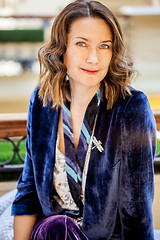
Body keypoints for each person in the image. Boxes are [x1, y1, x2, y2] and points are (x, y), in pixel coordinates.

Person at [12, 0, 157, 239]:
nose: (93, 58)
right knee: (58, 226)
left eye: (104, 46)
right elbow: (28, 191)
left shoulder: (131, 107)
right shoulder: (42, 101)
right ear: (62, 49)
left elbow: (137, 208)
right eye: (81, 44)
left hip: (108, 237)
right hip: (53, 234)